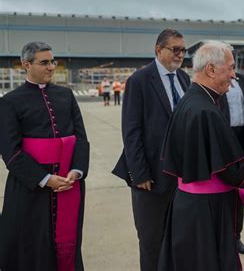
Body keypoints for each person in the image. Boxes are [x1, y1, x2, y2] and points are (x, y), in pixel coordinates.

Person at [157, 41, 244, 271]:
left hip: (190, 207)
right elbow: (232, 171)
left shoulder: (192, 101)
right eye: (229, 68)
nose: (233, 74)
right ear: (210, 69)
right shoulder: (206, 110)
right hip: (207, 212)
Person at [0, 41, 90, 271]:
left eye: (53, 61)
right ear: (26, 65)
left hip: (68, 184)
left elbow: (80, 138)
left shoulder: (66, 95)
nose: (51, 67)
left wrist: (76, 171)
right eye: (44, 62)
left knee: (68, 244)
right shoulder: (10, 102)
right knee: (33, 247)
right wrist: (44, 179)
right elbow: (10, 152)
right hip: (31, 189)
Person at [112, 29, 190, 271]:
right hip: (151, 179)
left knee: (178, 241)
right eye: (175, 49)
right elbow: (131, 131)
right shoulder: (140, 80)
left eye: (183, 50)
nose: (180, 55)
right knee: (151, 243)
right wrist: (140, 174)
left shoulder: (184, 79)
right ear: (158, 50)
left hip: (181, 178)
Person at [218, 70, 244, 254]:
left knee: (240, 192)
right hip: (224, 138)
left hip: (242, 138)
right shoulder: (217, 80)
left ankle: (236, 236)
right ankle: (223, 237)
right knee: (223, 191)